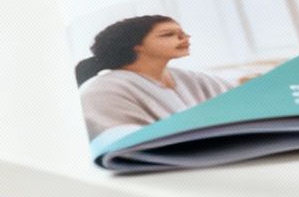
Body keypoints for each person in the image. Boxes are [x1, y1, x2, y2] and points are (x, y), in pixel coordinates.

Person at [75, 15, 234, 139]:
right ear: (136, 45)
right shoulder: (101, 91)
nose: (184, 38)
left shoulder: (195, 79)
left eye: (183, 33)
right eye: (168, 34)